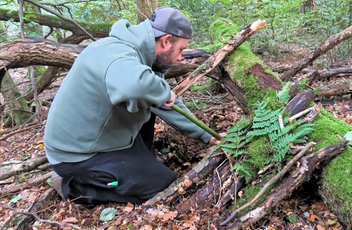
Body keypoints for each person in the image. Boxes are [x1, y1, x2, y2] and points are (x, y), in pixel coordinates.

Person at [44, 7, 221, 205]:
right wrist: (162, 92)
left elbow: (164, 103)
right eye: (180, 49)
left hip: (101, 135)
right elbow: (135, 87)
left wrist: (208, 136)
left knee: (151, 98)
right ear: (166, 40)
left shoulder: (141, 56)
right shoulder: (118, 56)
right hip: (78, 155)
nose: (181, 57)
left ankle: (138, 164)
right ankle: (73, 186)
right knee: (164, 186)